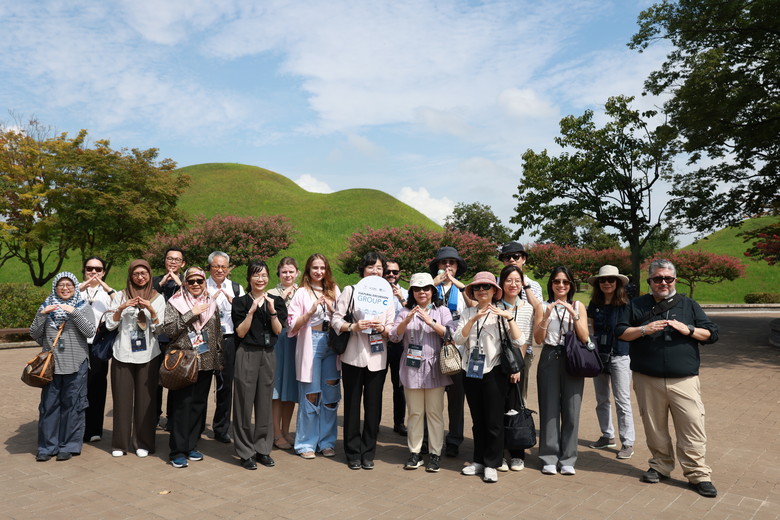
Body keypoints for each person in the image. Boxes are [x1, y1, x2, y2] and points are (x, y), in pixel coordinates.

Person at [615, 259, 719, 498]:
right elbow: (620, 332)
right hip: (647, 378)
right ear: (650, 281)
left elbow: (711, 334)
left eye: (668, 278)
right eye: (657, 278)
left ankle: (698, 474)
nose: (663, 282)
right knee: (654, 427)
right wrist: (644, 329)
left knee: (692, 426)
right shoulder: (636, 305)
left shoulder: (689, 305)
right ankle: (660, 465)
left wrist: (688, 330)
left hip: (683, 380)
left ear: (675, 280)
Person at [454, 272, 523, 483]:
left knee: (494, 421)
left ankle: (493, 463)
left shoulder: (502, 313)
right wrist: (473, 319)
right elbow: (458, 339)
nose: (481, 290)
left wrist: (508, 318)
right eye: (477, 287)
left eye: (486, 286)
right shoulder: (467, 312)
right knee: (478, 421)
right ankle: (479, 460)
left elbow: (519, 340)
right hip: (471, 370)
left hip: (494, 371)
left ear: (494, 290)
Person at [332, 251, 395, 470]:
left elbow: (392, 327)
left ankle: (368, 452)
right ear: (363, 270)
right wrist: (353, 327)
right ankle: (352, 452)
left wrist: (383, 328)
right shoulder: (351, 291)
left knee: (373, 406)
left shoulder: (387, 294)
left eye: (379, 268)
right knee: (351, 405)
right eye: (370, 267)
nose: (375, 271)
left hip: (378, 358)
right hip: (353, 356)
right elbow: (335, 320)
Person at [389, 272, 454, 473]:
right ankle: (415, 452)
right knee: (415, 413)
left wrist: (430, 321)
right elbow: (394, 337)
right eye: (417, 289)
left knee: (434, 413)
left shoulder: (442, 310)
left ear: (433, 290)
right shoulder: (404, 311)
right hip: (411, 368)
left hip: (434, 368)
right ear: (412, 292)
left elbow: (451, 334)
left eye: (426, 288)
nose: (422, 292)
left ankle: (435, 453)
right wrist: (406, 320)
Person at [30, 272, 96, 462]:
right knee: (49, 406)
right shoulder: (46, 305)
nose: (65, 288)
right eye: (61, 285)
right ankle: (47, 447)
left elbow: (90, 332)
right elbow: (34, 333)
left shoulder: (82, 307)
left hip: (76, 363)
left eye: (69, 285)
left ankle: (69, 446)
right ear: (55, 287)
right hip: (51, 366)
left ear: (75, 287)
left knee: (73, 405)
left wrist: (73, 313)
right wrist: (42, 314)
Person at [163, 267, 223, 469]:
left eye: (199, 281)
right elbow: (169, 330)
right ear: (185, 283)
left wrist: (218, 358)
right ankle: (177, 450)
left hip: (206, 361)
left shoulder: (211, 303)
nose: (196, 284)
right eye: (191, 281)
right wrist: (191, 313)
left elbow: (217, 332)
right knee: (182, 405)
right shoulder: (175, 302)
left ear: (205, 282)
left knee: (198, 405)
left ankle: (190, 445)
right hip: (184, 362)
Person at [105, 260, 166, 458]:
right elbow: (109, 325)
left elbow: (160, 329)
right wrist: (121, 308)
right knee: (121, 400)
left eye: (144, 273)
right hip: (122, 353)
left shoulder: (157, 297)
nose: (140, 277)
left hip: (148, 355)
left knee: (146, 402)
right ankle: (120, 443)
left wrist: (152, 311)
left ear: (149, 275)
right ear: (130, 276)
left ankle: (143, 442)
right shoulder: (120, 296)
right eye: (136, 274)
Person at [231, 260, 287, 470]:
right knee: (243, 404)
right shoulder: (240, 302)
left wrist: (272, 311)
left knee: (265, 403)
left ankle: (263, 449)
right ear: (249, 278)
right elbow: (240, 332)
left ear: (268, 277)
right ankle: (245, 452)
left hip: (268, 354)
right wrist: (251, 311)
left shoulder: (277, 301)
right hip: (247, 353)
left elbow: (278, 330)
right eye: (256, 275)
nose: (260, 279)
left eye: (264, 275)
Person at [533, 266, 589, 476]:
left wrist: (574, 316)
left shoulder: (578, 306)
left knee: (572, 409)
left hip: (573, 357)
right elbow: (538, 339)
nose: (561, 285)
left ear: (571, 285)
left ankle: (568, 458)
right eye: (557, 281)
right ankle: (549, 456)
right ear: (551, 284)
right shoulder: (543, 306)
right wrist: (546, 316)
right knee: (549, 408)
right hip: (550, 356)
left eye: (565, 282)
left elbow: (585, 337)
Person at [287, 254, 341, 460]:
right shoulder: (301, 292)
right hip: (312, 342)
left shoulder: (334, 290)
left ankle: (326, 442)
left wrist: (332, 309)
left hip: (331, 343)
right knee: (311, 394)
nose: (319, 272)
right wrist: (310, 312)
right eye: (315, 268)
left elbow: (343, 317)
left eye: (322, 268)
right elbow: (292, 324)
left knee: (330, 395)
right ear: (308, 270)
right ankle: (306, 443)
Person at [586, 265, 635, 460]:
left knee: (622, 400)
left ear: (618, 282)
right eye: (603, 280)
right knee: (601, 399)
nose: (607, 283)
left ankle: (628, 442)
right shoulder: (595, 304)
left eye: (611, 280)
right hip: (599, 355)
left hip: (620, 355)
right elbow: (591, 328)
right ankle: (607, 435)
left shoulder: (626, 304)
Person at [429, 246, 472, 458]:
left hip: (456, 350)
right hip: (430, 348)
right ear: (437, 265)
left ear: (457, 267)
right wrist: (432, 284)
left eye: (451, 263)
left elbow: (474, 305)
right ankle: (430, 438)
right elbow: (415, 303)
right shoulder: (428, 288)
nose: (447, 266)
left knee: (456, 399)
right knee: (431, 398)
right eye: (443, 262)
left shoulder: (463, 291)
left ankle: (454, 439)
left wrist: (458, 285)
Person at [496, 264, 535, 472]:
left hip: (517, 365)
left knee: (516, 407)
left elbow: (526, 340)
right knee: (498, 408)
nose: (513, 284)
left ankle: (517, 453)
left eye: (517, 281)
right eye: (509, 280)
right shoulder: (495, 306)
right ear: (501, 283)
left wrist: (516, 367)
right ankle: (501, 452)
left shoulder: (527, 307)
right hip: (495, 364)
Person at [205, 250, 245, 444]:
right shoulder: (201, 285)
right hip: (205, 340)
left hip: (229, 340)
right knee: (201, 384)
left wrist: (234, 303)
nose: (220, 270)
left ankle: (221, 428)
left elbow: (245, 313)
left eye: (224, 266)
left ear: (228, 269)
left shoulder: (236, 288)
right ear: (210, 268)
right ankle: (196, 425)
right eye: (216, 266)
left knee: (225, 386)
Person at [498, 242, 542, 410]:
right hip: (497, 350)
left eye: (516, 256)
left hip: (523, 350)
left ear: (523, 259)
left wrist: (524, 284)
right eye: (507, 257)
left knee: (518, 396)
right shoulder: (496, 283)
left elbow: (537, 310)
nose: (512, 260)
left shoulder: (534, 285)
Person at [79, 256, 116, 443]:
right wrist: (81, 287)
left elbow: (119, 305)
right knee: (77, 386)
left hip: (99, 344)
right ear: (84, 270)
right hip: (77, 344)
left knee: (97, 385)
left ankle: (94, 429)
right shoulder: (75, 290)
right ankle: (76, 427)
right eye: (89, 268)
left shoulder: (108, 293)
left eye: (98, 269)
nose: (93, 272)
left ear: (104, 272)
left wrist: (107, 287)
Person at [152, 247, 186, 430]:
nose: (172, 262)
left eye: (176, 259)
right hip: (156, 338)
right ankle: (154, 416)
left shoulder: (187, 282)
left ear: (183, 263)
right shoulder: (155, 281)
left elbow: (191, 300)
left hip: (177, 339)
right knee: (154, 382)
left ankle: (172, 418)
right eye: (169, 258)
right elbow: (147, 298)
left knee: (175, 379)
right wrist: (161, 284)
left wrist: (180, 284)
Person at [267, 257, 299, 450]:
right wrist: (283, 298)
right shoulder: (270, 293)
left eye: (291, 271)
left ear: (297, 273)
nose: (288, 275)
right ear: (278, 273)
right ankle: (276, 432)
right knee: (277, 389)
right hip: (278, 341)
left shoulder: (302, 292)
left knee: (290, 389)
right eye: (284, 272)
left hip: (297, 342)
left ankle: (286, 430)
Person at [384, 258, 408, 436]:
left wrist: (401, 298)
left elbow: (414, 313)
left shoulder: (406, 293)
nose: (391, 274)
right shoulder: (375, 292)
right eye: (388, 271)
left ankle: (399, 422)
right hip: (378, 342)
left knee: (399, 385)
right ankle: (372, 422)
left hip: (398, 344)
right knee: (375, 385)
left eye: (395, 272)